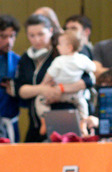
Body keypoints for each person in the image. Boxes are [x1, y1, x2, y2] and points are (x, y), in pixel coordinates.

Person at [15, 14, 94, 142]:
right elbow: (21, 90)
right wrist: (43, 89)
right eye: (31, 35)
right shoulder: (26, 58)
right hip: (37, 123)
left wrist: (61, 89)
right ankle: (44, 122)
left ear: (50, 31)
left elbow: (88, 81)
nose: (37, 39)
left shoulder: (64, 51)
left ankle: (83, 123)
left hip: (68, 116)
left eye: (41, 34)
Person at [34, 30, 96, 120]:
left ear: (69, 47)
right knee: (82, 104)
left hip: (59, 94)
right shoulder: (82, 59)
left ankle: (44, 120)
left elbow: (49, 74)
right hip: (75, 95)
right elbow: (93, 68)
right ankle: (83, 121)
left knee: (40, 100)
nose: (57, 46)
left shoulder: (59, 60)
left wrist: (43, 84)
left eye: (60, 44)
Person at [0, 15, 21, 142]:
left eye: (12, 36)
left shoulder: (18, 61)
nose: (9, 41)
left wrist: (16, 91)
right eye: (3, 36)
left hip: (9, 121)